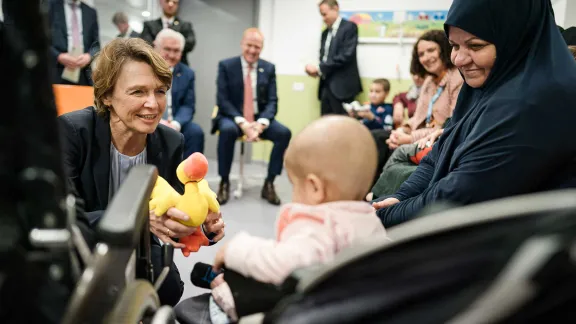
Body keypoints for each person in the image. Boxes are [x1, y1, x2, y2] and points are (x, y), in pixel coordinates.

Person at [373, 0, 576, 227]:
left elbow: (458, 196)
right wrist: (399, 197)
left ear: (516, 38)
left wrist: (378, 217)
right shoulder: (486, 83)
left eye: (476, 46)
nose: (458, 59)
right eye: (454, 45)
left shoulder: (535, 101)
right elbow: (438, 155)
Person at [57, 38, 225, 306]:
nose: (153, 104)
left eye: (160, 91)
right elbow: (60, 217)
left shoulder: (171, 142)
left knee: (169, 289)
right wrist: (136, 220)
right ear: (106, 96)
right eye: (138, 92)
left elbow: (174, 214)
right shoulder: (73, 132)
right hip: (84, 247)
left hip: (142, 248)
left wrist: (202, 227)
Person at [208, 116, 387, 323]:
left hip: (313, 313)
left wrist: (233, 250)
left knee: (222, 295)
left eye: (295, 185)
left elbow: (283, 263)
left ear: (314, 188)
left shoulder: (319, 224)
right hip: (352, 309)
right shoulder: (371, 221)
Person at [371, 30, 463, 182]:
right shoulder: (428, 81)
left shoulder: (457, 78)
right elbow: (417, 118)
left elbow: (449, 126)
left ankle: (375, 195)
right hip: (418, 134)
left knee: (393, 146)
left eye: (431, 50)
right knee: (378, 137)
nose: (426, 58)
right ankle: (367, 190)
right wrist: (401, 130)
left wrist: (408, 138)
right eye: (421, 54)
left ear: (444, 49)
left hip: (437, 138)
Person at [213, 28, 292, 206]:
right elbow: (222, 100)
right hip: (233, 117)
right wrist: (243, 123)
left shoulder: (269, 68)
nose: (252, 50)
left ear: (261, 48)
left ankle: (269, 182)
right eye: (249, 45)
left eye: (257, 46)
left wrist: (261, 124)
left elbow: (272, 101)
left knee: (284, 133)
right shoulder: (226, 66)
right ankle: (224, 181)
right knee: (226, 130)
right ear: (242, 44)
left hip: (259, 119)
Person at [305, 0, 362, 115]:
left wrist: (320, 68)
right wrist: (318, 71)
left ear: (335, 9)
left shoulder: (350, 28)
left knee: (342, 127)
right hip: (326, 86)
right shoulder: (325, 33)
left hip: (343, 88)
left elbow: (346, 56)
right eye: (321, 15)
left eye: (324, 14)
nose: (323, 18)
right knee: (325, 125)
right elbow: (324, 58)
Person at [154, 28, 204, 157]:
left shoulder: (188, 73)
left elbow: (188, 106)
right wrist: (157, 121)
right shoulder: (146, 69)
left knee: (195, 131)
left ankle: (189, 176)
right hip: (150, 120)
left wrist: (176, 124)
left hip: (175, 122)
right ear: (156, 47)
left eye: (176, 51)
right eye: (167, 49)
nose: (171, 55)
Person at [47, 0, 100, 85]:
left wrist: (89, 56)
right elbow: (40, 41)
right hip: (56, 71)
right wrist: (58, 56)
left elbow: (96, 45)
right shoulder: (50, 6)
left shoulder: (91, 12)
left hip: (83, 73)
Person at [141, 0, 196, 66]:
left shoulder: (185, 25)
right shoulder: (149, 25)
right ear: (161, 2)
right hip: (154, 64)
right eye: (167, 1)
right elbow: (145, 44)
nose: (170, 4)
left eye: (174, 2)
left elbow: (190, 43)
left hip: (178, 67)